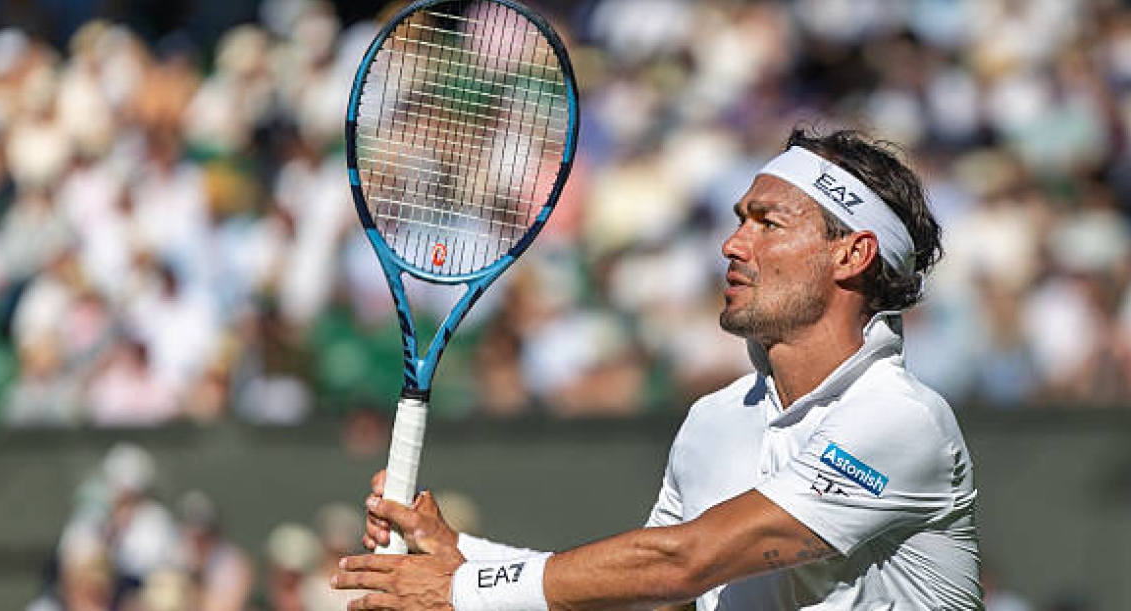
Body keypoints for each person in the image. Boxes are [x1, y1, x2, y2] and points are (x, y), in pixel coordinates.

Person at [333, 127, 983, 610]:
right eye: (739, 221)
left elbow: (684, 560)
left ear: (852, 254)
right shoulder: (714, 419)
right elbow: (647, 593)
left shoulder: (899, 419)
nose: (733, 244)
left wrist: (461, 590)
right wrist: (462, 554)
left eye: (768, 223)